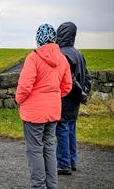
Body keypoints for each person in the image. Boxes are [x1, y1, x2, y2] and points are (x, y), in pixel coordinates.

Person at [15, 24, 72, 189]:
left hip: (34, 112)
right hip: (53, 111)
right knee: (49, 148)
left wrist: (20, 100)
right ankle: (51, 185)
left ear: (39, 39)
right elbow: (67, 86)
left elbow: (25, 86)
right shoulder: (62, 59)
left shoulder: (34, 57)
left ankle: (38, 186)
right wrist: (53, 96)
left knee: (35, 150)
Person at [55, 22, 91, 175]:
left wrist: (80, 93)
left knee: (63, 130)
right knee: (71, 130)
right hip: (75, 100)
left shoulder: (62, 54)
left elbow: (68, 79)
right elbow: (87, 77)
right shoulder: (78, 53)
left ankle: (64, 164)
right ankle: (72, 161)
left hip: (65, 98)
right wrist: (84, 93)